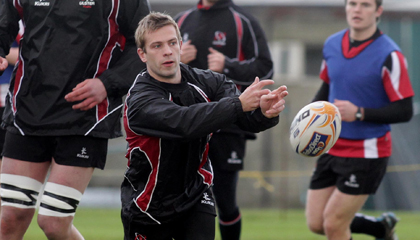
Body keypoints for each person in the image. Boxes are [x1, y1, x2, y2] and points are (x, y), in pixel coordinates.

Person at [121, 12, 288, 240]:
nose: (167, 51)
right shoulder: (139, 99)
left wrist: (265, 113)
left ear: (180, 44)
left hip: (197, 195)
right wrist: (239, 104)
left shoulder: (209, 82)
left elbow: (244, 118)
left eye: (172, 43)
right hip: (149, 204)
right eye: (157, 46)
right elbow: (184, 123)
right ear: (142, 54)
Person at [0, 1, 150, 239]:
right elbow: (3, 21)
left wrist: (107, 83)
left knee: (53, 222)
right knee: (8, 220)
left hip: (85, 117)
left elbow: (146, 42)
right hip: (26, 114)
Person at [305, 0, 414, 240]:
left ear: (378, 11)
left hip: (367, 151)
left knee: (334, 225)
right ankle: (381, 229)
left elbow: (404, 110)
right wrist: (308, 121)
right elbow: (326, 88)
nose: (357, 9)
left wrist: (359, 113)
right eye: (352, 3)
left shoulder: (390, 54)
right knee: (316, 223)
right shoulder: (332, 44)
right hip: (332, 146)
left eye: (365, 4)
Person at [175, 1, 274, 238]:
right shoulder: (180, 21)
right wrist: (178, 60)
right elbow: (156, 67)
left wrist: (227, 65)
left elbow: (266, 69)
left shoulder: (244, 22)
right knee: (178, 196)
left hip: (230, 125)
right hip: (187, 123)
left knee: (225, 200)